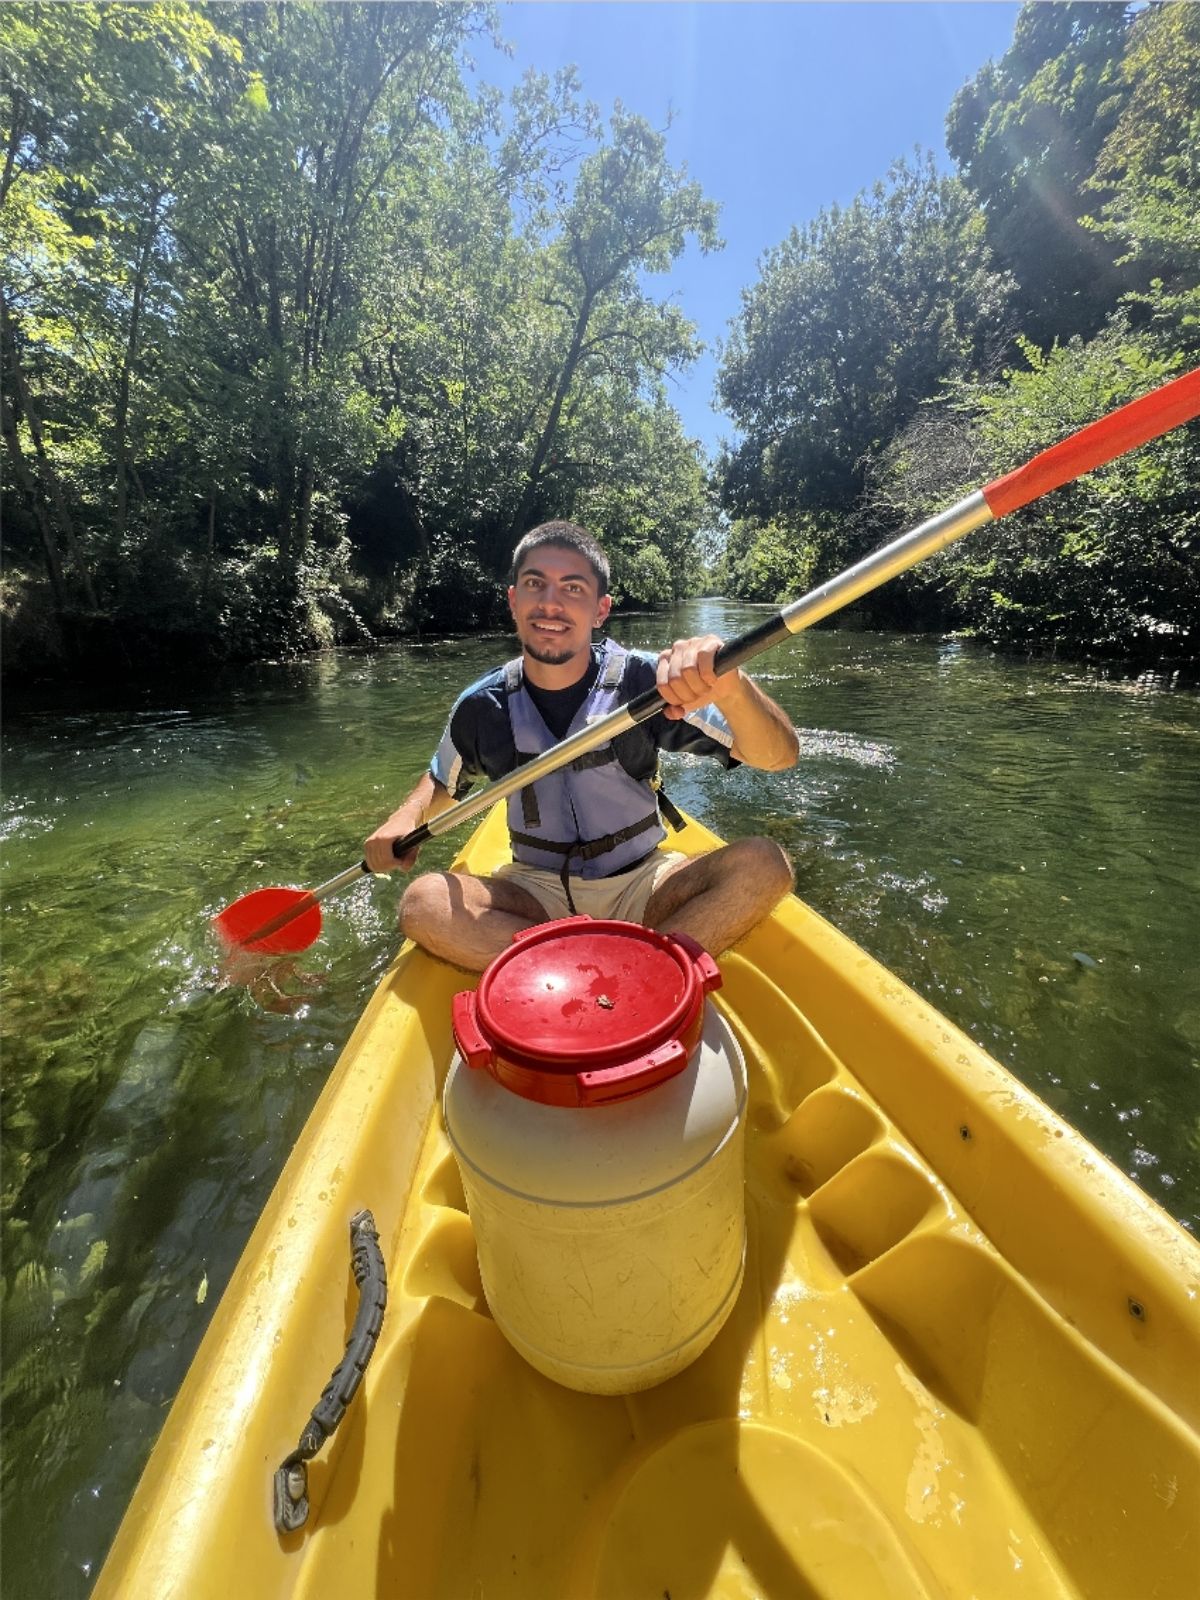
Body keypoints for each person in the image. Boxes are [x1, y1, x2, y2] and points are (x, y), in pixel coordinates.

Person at [364, 521, 799, 971]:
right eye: (535, 584)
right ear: (514, 600)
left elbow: (779, 755)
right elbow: (442, 781)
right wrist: (405, 815)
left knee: (764, 864)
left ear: (600, 609)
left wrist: (733, 689)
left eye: (573, 588)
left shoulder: (649, 684)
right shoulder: (482, 707)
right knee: (423, 903)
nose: (550, 602)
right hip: (534, 894)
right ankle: (597, 976)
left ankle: (639, 976)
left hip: (643, 882)